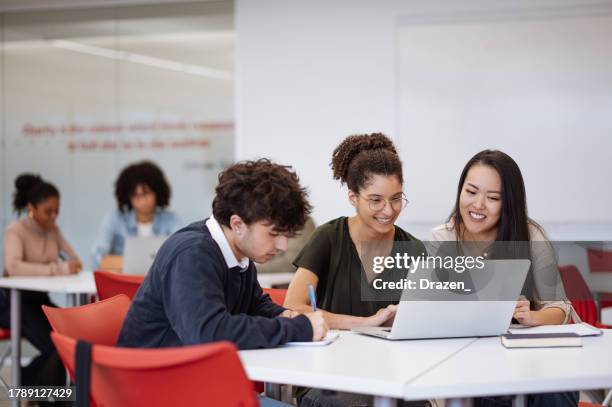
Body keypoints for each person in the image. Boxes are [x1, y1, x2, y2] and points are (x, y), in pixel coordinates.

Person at [117, 159, 327, 351]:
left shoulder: (238, 254)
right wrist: (296, 328)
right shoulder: (192, 254)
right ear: (237, 224)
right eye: (274, 234)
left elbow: (253, 305)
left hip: (190, 374)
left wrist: (282, 315)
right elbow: (208, 332)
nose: (282, 246)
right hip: (151, 380)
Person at [284, 133, 426, 407]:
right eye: (376, 200)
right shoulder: (328, 238)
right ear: (353, 197)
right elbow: (293, 307)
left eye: (396, 199)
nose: (389, 210)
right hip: (329, 376)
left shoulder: (414, 249)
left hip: (393, 374)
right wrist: (364, 323)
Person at [431, 149, 579, 407]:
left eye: (493, 197)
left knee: (557, 389)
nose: (478, 205)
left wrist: (532, 316)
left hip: (530, 356)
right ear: (460, 191)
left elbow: (560, 308)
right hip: (470, 360)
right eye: (471, 191)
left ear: (508, 202)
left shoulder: (530, 234)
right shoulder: (442, 239)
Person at [1, 173, 81, 391]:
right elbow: (14, 268)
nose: (53, 216)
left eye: (57, 210)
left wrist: (70, 264)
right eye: (48, 211)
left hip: (40, 301)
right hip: (14, 304)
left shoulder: (53, 230)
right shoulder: (15, 231)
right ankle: (27, 385)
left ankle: (40, 391)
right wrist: (58, 269)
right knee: (55, 345)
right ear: (32, 208)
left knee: (72, 339)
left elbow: (74, 259)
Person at [91, 160, 181, 269]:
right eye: (136, 195)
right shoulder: (114, 219)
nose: (142, 201)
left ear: (157, 192)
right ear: (128, 197)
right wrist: (139, 263)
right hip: (125, 282)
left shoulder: (171, 220)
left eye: (146, 193)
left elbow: (181, 255)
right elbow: (97, 258)